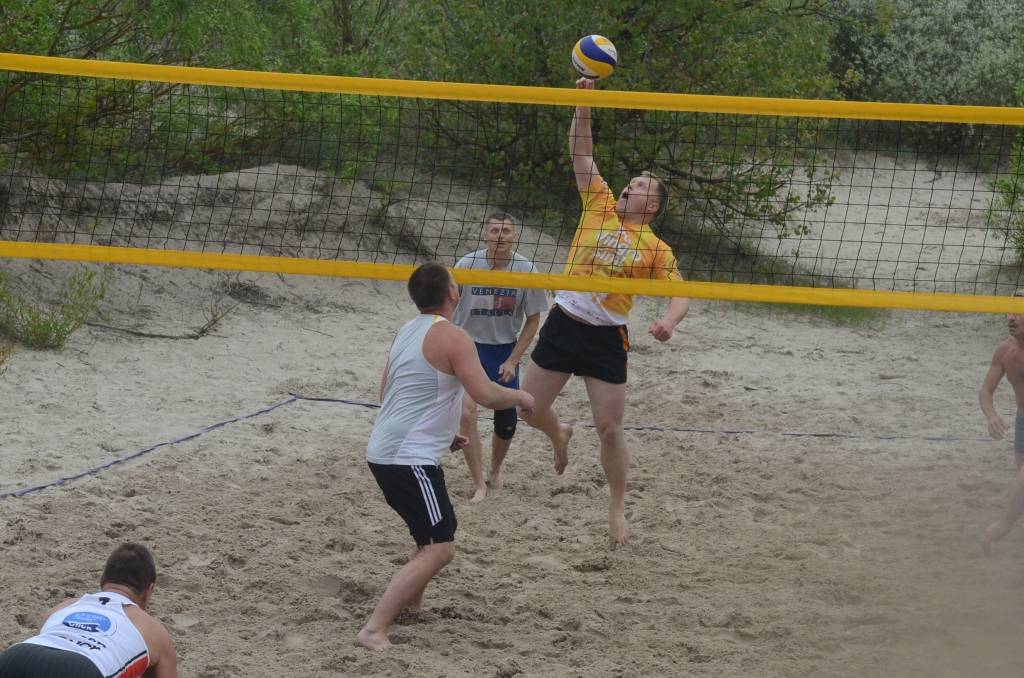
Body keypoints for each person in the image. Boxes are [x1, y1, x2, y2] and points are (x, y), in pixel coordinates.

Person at [519, 76, 690, 549]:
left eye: (639, 186)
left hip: (605, 337)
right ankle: (559, 432)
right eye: (631, 182)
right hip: (564, 322)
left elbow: (681, 292)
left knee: (610, 429)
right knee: (528, 409)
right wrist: (584, 102)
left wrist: (669, 321)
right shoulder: (599, 205)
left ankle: (616, 511)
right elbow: (581, 152)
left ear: (651, 205)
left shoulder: (655, 247)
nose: (629, 185)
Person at [357, 262, 534, 650]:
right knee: (440, 548)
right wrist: (521, 396)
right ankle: (373, 630)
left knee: (432, 533)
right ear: (454, 294)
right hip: (407, 458)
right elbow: (485, 394)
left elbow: (390, 392)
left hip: (388, 451)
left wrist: (441, 434)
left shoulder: (407, 329)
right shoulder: (454, 337)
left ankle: (411, 604)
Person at [452, 212, 548, 501]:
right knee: (467, 413)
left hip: (504, 349)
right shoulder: (467, 264)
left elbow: (533, 320)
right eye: (494, 231)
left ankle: (494, 470)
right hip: (468, 346)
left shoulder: (526, 270)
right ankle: (478, 482)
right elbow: (446, 305)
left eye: (506, 231)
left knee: (506, 423)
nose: (500, 236)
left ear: (514, 236)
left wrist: (513, 360)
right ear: (485, 235)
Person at [0, 543, 177, 678]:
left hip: (18, 656)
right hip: (82, 668)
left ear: (102, 581)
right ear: (149, 591)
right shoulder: (154, 631)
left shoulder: (63, 607)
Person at [979, 292, 1024, 553]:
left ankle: (1003, 526)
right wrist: (991, 416)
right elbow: (986, 390)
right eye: (1010, 311)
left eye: (1019, 312)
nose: (1011, 318)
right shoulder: (1005, 351)